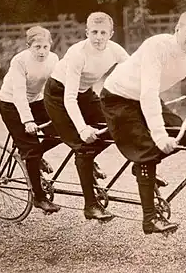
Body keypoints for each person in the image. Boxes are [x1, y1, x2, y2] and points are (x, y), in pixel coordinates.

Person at [100, 11, 186, 234]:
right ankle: (150, 219)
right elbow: (149, 93)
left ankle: (141, 169)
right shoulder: (157, 47)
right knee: (147, 151)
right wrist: (159, 136)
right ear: (177, 30)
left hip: (144, 97)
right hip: (118, 97)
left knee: (181, 133)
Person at [44, 12, 129, 221]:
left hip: (85, 93)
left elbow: (134, 73)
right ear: (86, 32)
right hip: (59, 94)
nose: (98, 37)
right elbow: (69, 98)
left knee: (116, 126)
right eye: (94, 32)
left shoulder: (116, 50)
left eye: (103, 33)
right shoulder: (77, 53)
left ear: (111, 33)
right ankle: (90, 205)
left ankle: (91, 163)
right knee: (84, 146)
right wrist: (82, 129)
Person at [0, 26, 62, 213]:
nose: (42, 51)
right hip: (11, 104)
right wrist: (27, 121)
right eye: (37, 47)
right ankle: (39, 198)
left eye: (45, 46)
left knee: (59, 133)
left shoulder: (53, 59)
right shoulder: (19, 61)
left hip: (36, 100)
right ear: (29, 46)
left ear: (50, 45)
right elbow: (18, 94)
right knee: (32, 150)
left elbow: (55, 87)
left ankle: (27, 155)